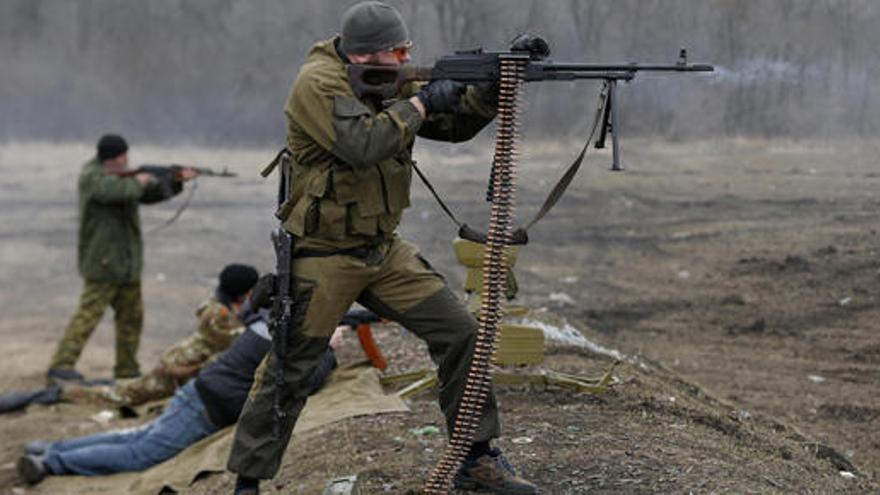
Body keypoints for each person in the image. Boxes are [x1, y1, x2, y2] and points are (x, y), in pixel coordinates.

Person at [227, 3, 537, 494]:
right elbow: (362, 144)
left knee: (462, 333)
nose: (406, 58)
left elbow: (451, 127)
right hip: (323, 255)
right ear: (368, 53)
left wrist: (491, 89)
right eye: (399, 51)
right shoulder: (318, 82)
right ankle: (247, 484)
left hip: (381, 251)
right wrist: (421, 104)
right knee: (289, 370)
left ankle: (475, 459)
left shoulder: (386, 78)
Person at [17, 306, 344, 484]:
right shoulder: (285, 342)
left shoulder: (268, 322)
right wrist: (327, 351)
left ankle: (51, 450)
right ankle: (50, 462)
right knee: (141, 454)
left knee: (137, 437)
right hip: (205, 408)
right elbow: (304, 381)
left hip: (199, 393)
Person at [0, 264, 258, 414]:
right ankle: (50, 395)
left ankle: (88, 386)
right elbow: (234, 347)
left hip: (177, 366)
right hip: (175, 371)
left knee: (126, 387)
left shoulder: (222, 307)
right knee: (116, 396)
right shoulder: (219, 316)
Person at [47, 134, 198, 382]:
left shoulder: (125, 179)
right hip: (103, 263)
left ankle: (127, 369)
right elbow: (114, 192)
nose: (127, 160)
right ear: (114, 158)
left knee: (131, 319)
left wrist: (175, 181)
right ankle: (61, 364)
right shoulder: (92, 176)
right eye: (123, 156)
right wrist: (141, 180)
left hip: (127, 264)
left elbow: (147, 195)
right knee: (88, 316)